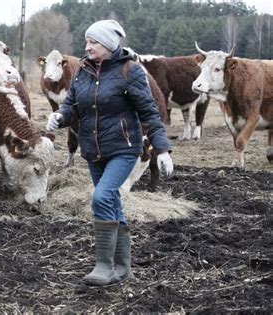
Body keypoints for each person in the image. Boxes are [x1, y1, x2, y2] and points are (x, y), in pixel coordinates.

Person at [46, 20, 173, 286]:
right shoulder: (81, 71)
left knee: (101, 197)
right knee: (112, 203)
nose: (87, 47)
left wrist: (162, 149)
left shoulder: (130, 72)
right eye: (87, 41)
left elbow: (150, 113)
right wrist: (61, 116)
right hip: (93, 150)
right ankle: (123, 268)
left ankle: (104, 264)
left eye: (93, 42)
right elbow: (73, 106)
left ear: (109, 44)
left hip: (123, 149)